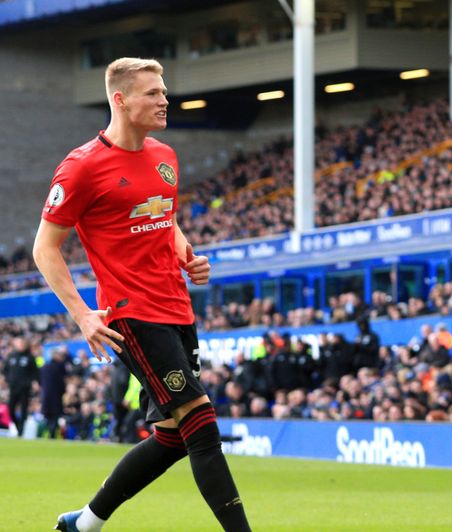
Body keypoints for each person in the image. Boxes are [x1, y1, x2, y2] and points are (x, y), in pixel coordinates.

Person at [33, 58, 250, 531]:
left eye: (163, 90)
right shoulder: (81, 167)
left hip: (176, 304)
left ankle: (84, 524)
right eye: (152, 92)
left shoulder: (165, 156)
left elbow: (162, 216)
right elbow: (44, 248)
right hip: (130, 312)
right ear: (121, 99)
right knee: (201, 420)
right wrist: (83, 316)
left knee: (174, 436)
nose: (164, 99)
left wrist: (185, 253)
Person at [3, 337, 38, 436]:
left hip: (24, 388)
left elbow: (35, 372)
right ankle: (17, 424)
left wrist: (34, 382)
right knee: (10, 408)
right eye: (19, 343)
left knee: (23, 409)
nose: (21, 345)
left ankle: (21, 431)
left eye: (22, 343)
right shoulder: (11, 356)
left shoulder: (30, 357)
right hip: (13, 387)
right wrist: (7, 380)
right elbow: (5, 370)